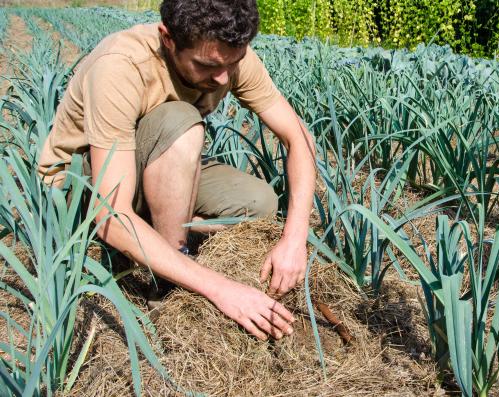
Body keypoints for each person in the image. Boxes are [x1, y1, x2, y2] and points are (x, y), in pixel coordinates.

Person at [37, 0, 316, 341]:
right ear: (168, 39)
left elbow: (299, 139)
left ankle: (155, 232)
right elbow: (110, 212)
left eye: (234, 62)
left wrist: (294, 239)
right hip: (81, 190)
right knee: (180, 120)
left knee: (258, 203)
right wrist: (220, 288)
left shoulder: (227, 57)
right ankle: (166, 285)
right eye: (207, 65)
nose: (224, 77)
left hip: (150, 166)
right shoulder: (122, 66)